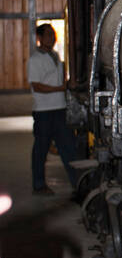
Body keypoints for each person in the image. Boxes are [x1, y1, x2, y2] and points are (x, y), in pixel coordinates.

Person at [28, 24, 79, 196]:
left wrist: (66, 86)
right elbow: (37, 86)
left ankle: (77, 184)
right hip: (44, 112)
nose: (53, 37)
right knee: (41, 150)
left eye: (53, 34)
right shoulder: (35, 60)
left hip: (60, 109)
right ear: (40, 38)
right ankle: (39, 185)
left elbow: (60, 81)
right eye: (49, 34)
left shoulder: (55, 56)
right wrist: (61, 88)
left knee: (69, 148)